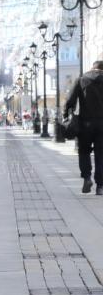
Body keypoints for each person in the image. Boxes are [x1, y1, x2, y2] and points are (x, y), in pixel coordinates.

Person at [65, 59, 103, 195]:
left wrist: (66, 114)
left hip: (85, 123)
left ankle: (87, 177)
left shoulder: (81, 80)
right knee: (101, 154)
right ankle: (100, 186)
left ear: (92, 68)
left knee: (84, 152)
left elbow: (70, 101)